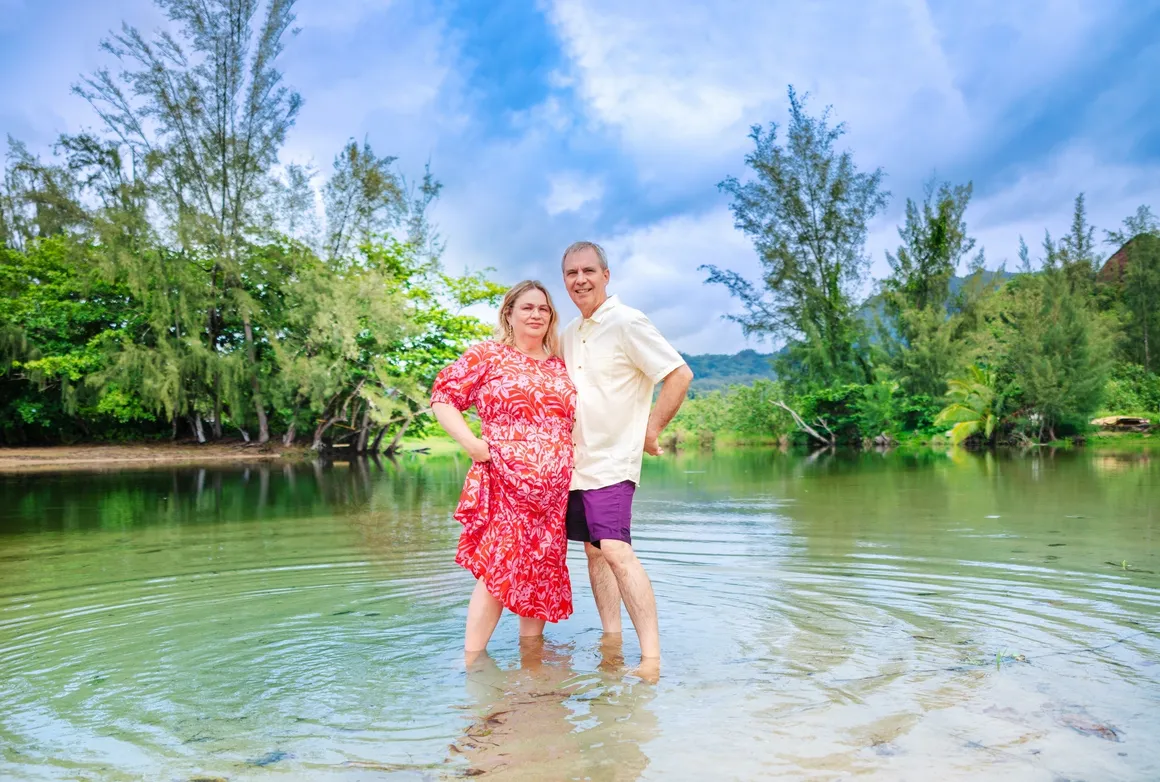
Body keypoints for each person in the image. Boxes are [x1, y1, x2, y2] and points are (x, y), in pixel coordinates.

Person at [559, 241, 693, 664]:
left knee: (615, 549)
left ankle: (651, 658)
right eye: (571, 273)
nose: (580, 280)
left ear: (605, 275)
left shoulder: (628, 322)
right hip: (574, 465)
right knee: (594, 551)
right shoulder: (568, 333)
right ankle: (611, 641)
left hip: (614, 460)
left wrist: (651, 431)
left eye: (588, 271)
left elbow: (678, 374)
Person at [430, 280, 576, 655]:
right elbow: (443, 397)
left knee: (541, 571)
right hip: (505, 485)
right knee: (500, 569)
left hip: (552, 496)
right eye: (527, 307)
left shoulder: (561, 365)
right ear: (508, 313)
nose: (536, 314)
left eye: (543, 308)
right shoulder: (488, 356)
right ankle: (471, 663)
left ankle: (534, 666)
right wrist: (473, 444)